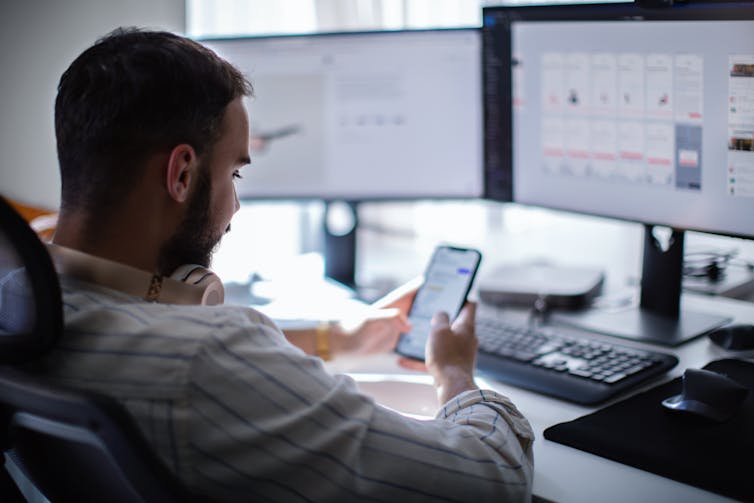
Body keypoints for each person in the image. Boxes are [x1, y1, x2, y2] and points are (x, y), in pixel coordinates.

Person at [39, 27, 534, 501]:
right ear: (182, 174)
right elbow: (489, 480)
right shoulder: (206, 361)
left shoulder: (18, 300)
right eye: (233, 172)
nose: (235, 204)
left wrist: (342, 337)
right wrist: (456, 377)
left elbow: (143, 320)